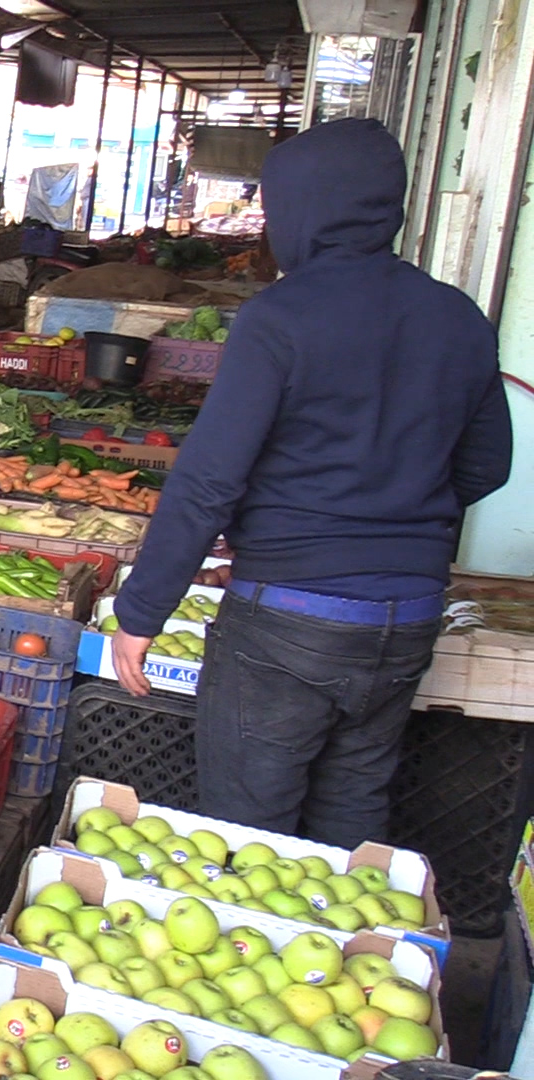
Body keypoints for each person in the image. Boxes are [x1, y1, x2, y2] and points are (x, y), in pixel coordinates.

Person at [111, 119, 514, 849]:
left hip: (288, 620)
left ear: (304, 209)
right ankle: (345, 952)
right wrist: (397, 521)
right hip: (409, 617)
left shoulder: (279, 319)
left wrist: (141, 614)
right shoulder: (458, 317)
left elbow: (209, 480)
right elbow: (489, 465)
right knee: (353, 814)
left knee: (249, 835)